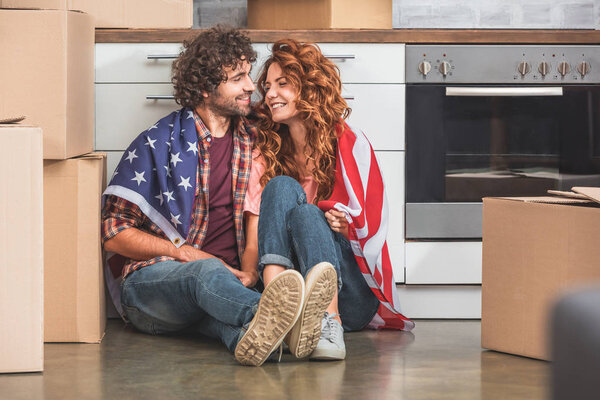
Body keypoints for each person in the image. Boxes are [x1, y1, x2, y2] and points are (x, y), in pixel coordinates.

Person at [101, 27, 315, 367]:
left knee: (224, 320)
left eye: (249, 74)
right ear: (205, 89)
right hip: (155, 287)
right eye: (238, 78)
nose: (251, 86)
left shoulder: (257, 136)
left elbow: (310, 118)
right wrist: (181, 252)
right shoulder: (156, 143)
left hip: (226, 291)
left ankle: (257, 334)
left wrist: (248, 272)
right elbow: (113, 234)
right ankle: (287, 321)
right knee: (205, 271)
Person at [244, 39, 416, 361]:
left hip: (350, 297)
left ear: (309, 88)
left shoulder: (349, 145)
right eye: (267, 86)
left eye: (283, 84)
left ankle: (329, 323)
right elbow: (256, 227)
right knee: (281, 186)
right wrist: (248, 274)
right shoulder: (266, 151)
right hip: (296, 290)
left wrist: (345, 225)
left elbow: (370, 232)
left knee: (308, 216)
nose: (269, 95)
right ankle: (278, 307)